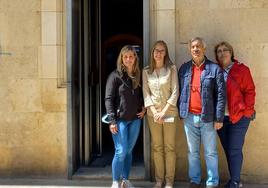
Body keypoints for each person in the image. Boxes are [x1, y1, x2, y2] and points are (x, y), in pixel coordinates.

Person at [178, 37, 225, 188]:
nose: (196, 49)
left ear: (204, 49)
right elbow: (180, 92)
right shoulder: (184, 68)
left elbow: (220, 95)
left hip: (208, 118)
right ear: (190, 50)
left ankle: (212, 182)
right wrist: (181, 111)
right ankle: (195, 180)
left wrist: (219, 118)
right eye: (193, 47)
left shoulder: (214, 69)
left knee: (210, 152)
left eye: (198, 46)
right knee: (192, 152)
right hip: (189, 117)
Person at [214, 41, 256, 188]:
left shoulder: (241, 69)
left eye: (225, 50)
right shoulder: (214, 70)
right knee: (229, 149)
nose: (222, 53)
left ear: (231, 53)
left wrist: (247, 112)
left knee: (234, 149)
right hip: (221, 118)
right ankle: (235, 180)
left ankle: (235, 182)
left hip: (239, 117)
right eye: (219, 51)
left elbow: (250, 91)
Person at [105, 45, 146, 188]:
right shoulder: (115, 76)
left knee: (128, 151)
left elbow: (142, 95)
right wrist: (112, 121)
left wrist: (144, 108)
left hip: (135, 120)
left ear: (135, 58)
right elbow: (108, 99)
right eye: (125, 56)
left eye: (131, 56)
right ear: (121, 59)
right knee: (121, 151)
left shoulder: (138, 75)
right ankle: (115, 181)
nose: (128, 59)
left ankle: (125, 180)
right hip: (120, 120)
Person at [143, 40, 179, 188]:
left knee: (169, 147)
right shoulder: (146, 71)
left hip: (169, 113)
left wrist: (163, 112)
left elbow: (176, 92)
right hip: (153, 115)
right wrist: (154, 111)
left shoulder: (171, 69)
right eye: (156, 50)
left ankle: (169, 181)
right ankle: (159, 180)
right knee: (157, 147)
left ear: (166, 53)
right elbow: (146, 93)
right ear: (152, 52)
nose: (158, 53)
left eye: (162, 50)